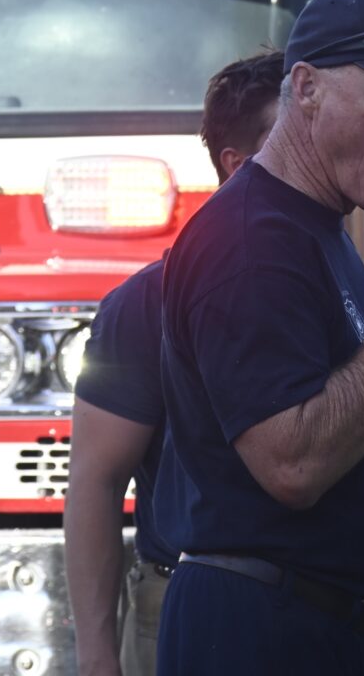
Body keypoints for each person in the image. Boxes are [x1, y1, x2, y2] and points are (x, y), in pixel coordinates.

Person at [154, 0, 364, 676]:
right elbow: (293, 466)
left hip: (315, 630)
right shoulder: (250, 240)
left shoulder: (315, 229)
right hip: (260, 635)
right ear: (306, 88)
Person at [65, 50, 285, 676]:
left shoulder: (359, 292)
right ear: (237, 165)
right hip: (181, 607)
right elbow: (96, 481)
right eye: (292, 134)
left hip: (329, 618)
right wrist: (98, 658)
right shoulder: (145, 304)